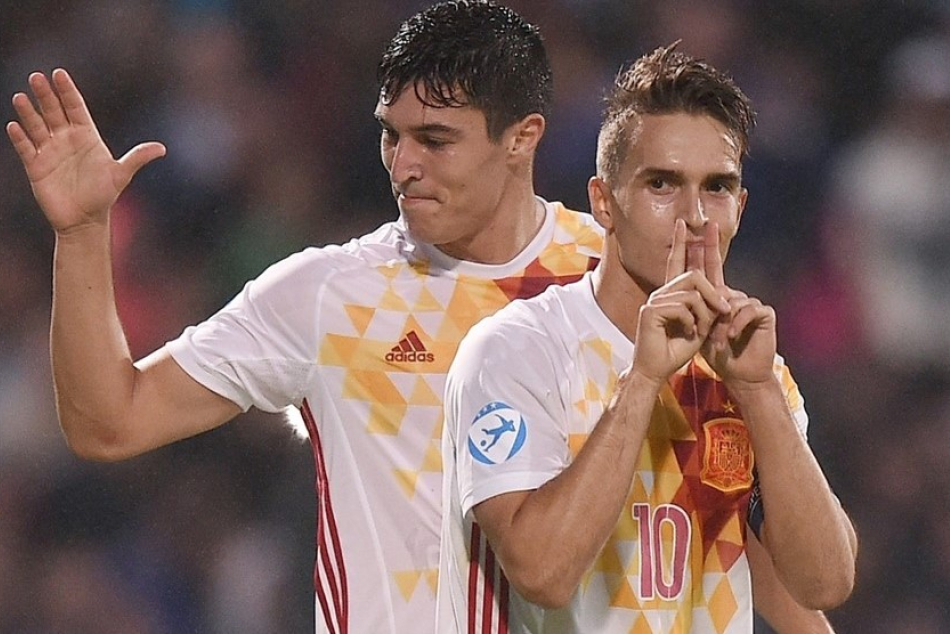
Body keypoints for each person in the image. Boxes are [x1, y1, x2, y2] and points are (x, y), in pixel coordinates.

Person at [5, 1, 603, 632]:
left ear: (523, 137)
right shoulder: (330, 297)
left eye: (435, 139)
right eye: (390, 134)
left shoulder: (614, 284)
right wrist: (81, 232)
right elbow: (108, 422)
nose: (403, 167)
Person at [438, 44, 857, 633]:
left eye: (716, 188)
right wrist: (643, 379)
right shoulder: (515, 351)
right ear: (604, 203)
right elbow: (543, 573)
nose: (693, 216)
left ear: (739, 208)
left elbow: (825, 583)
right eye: (662, 184)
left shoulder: (751, 367)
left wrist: (759, 390)